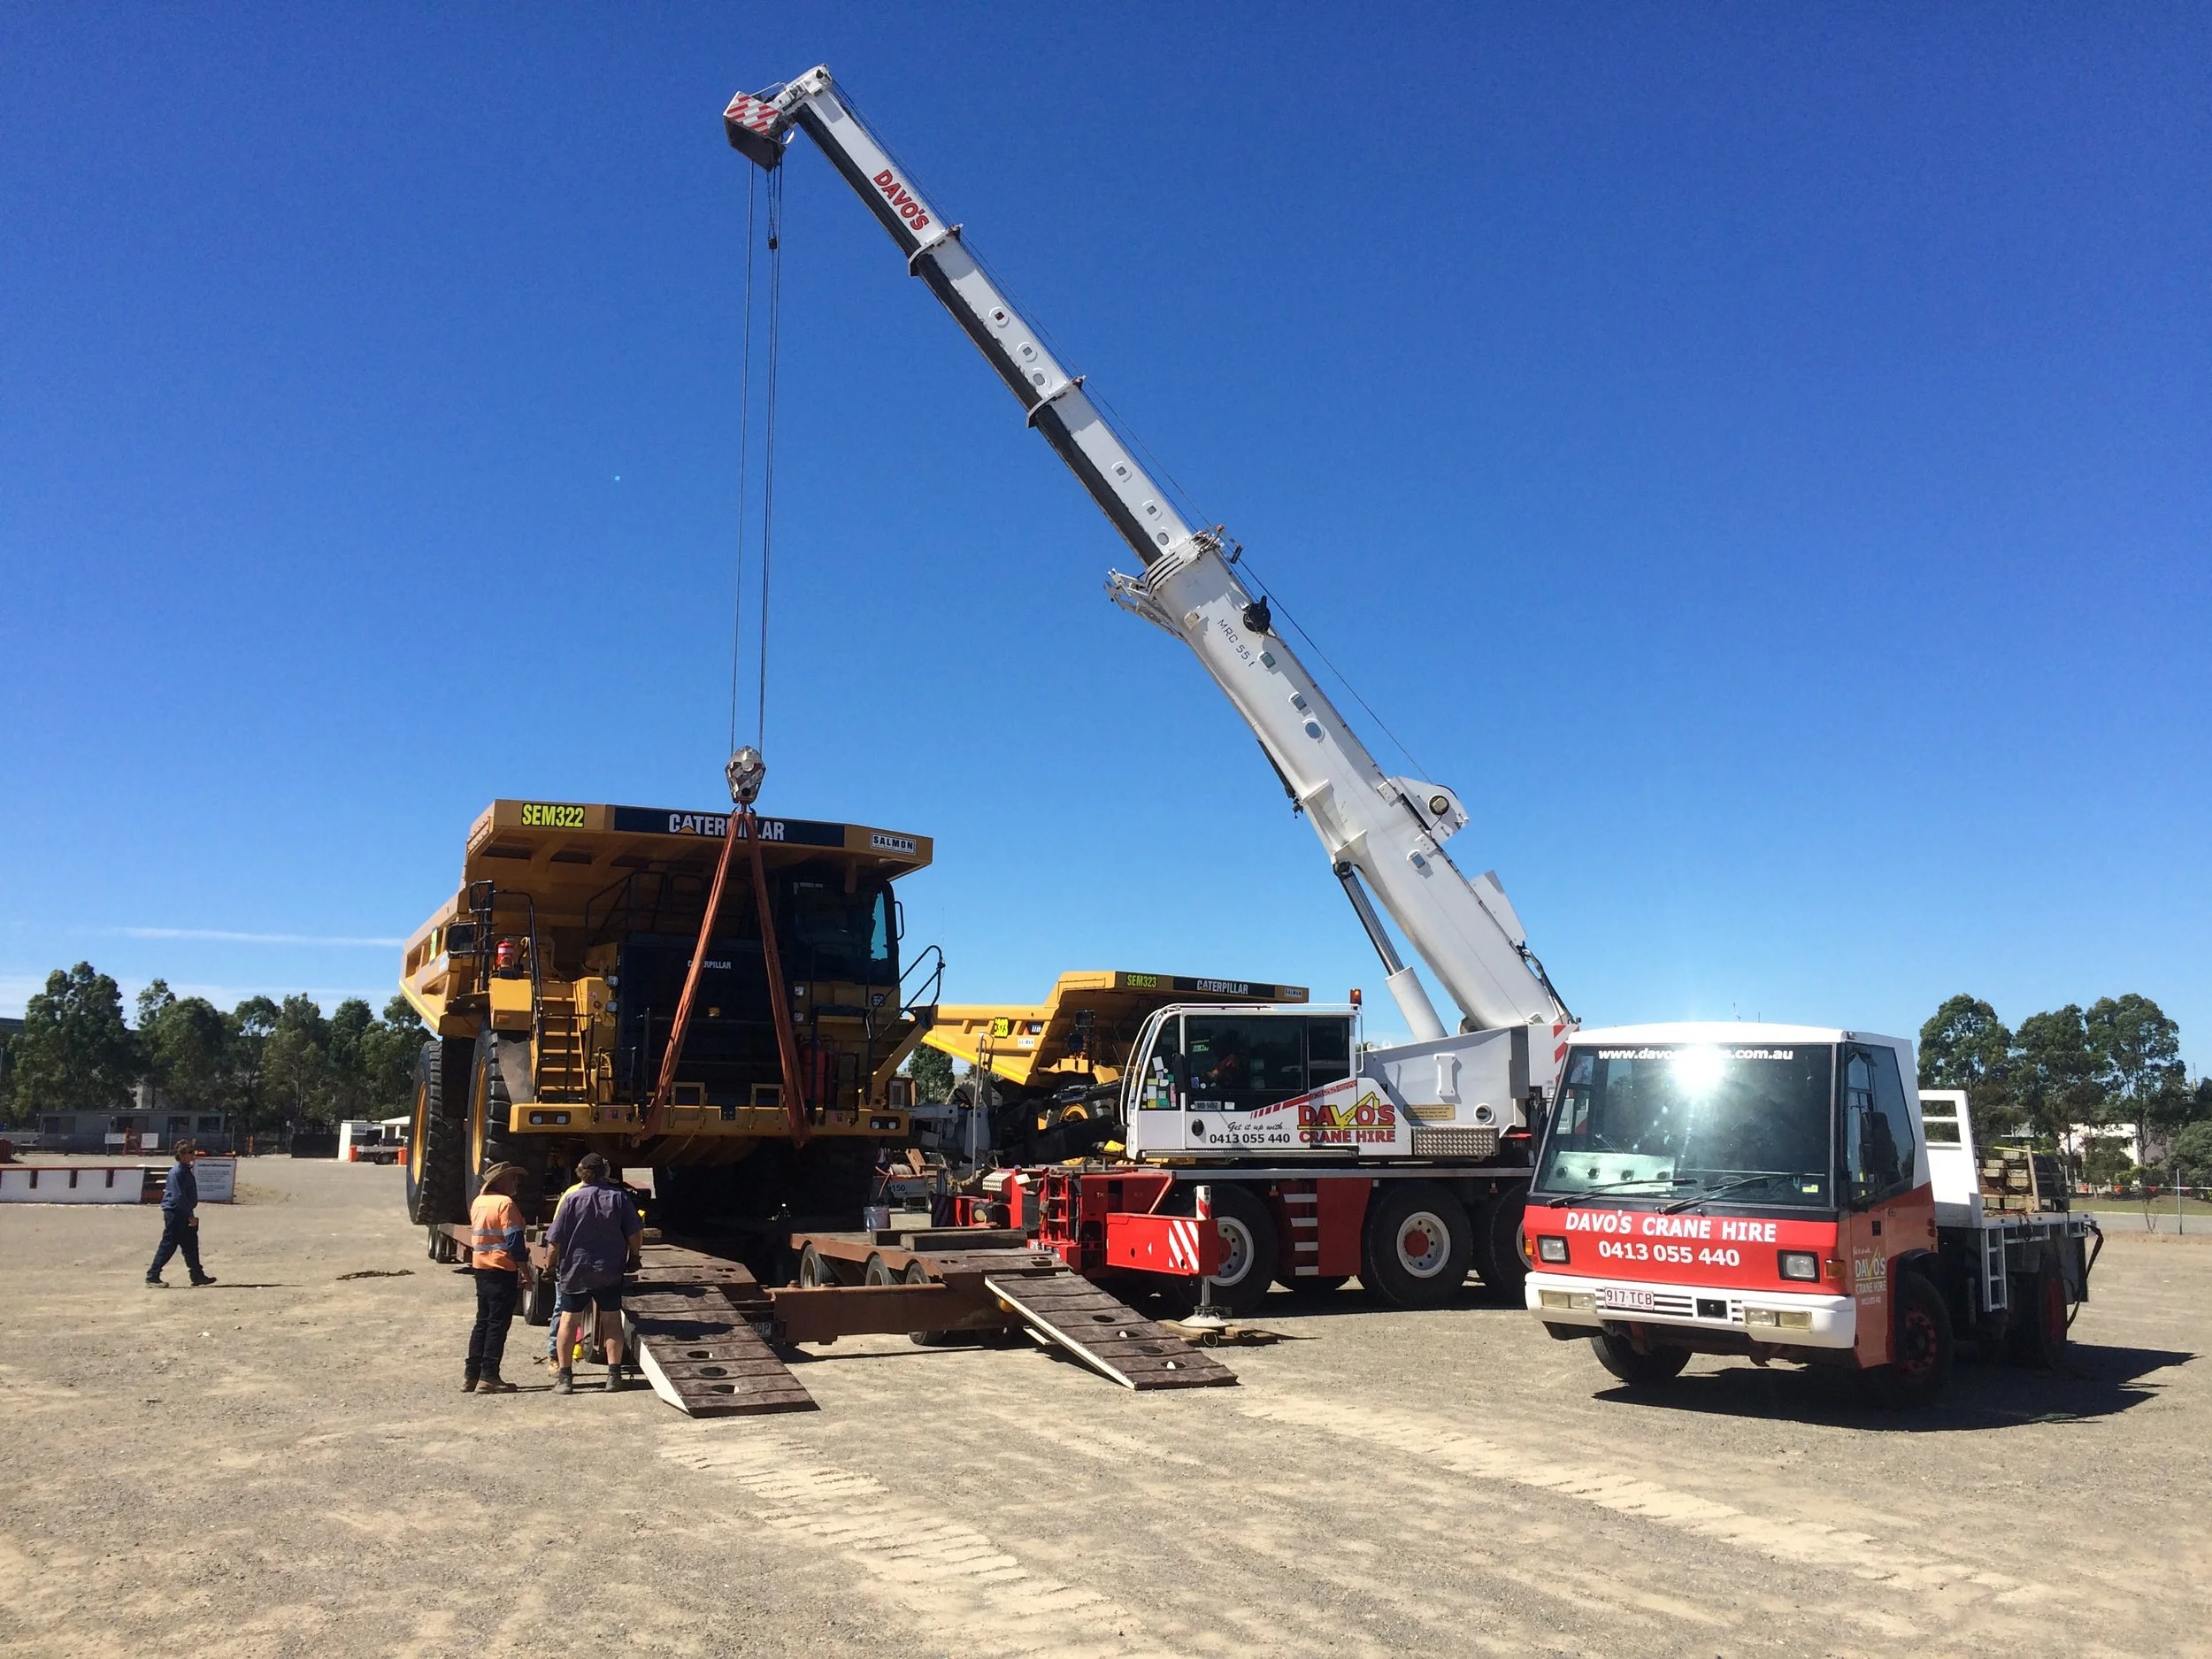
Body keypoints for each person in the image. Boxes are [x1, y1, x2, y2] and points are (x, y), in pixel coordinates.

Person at [542, 1152, 643, 1394]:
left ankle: (565, 1378)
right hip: (609, 1270)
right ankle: (614, 1376)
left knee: (569, 1320)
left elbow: (554, 1240)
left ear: (581, 1173)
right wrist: (634, 1257)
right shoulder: (619, 1198)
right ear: (605, 1173)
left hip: (576, 1270)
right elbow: (634, 1233)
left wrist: (550, 1266)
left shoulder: (571, 1199)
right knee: (611, 1321)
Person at [464, 1163, 531, 1394]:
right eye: (512, 1178)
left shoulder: (478, 1202)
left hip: (481, 1268)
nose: (516, 1182)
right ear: (500, 1181)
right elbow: (514, 1242)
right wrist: (525, 1271)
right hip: (501, 1268)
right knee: (497, 1323)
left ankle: (471, 1374)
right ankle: (489, 1375)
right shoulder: (505, 1204)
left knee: (482, 1321)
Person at [146, 1140, 215, 1288]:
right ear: (182, 1155)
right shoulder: (177, 1172)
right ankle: (152, 1276)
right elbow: (178, 1197)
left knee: (190, 1245)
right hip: (175, 1213)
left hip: (182, 1211)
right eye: (190, 1152)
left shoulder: (185, 1170)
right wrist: (189, 1215)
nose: (193, 1155)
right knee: (168, 1245)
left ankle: (197, 1275)